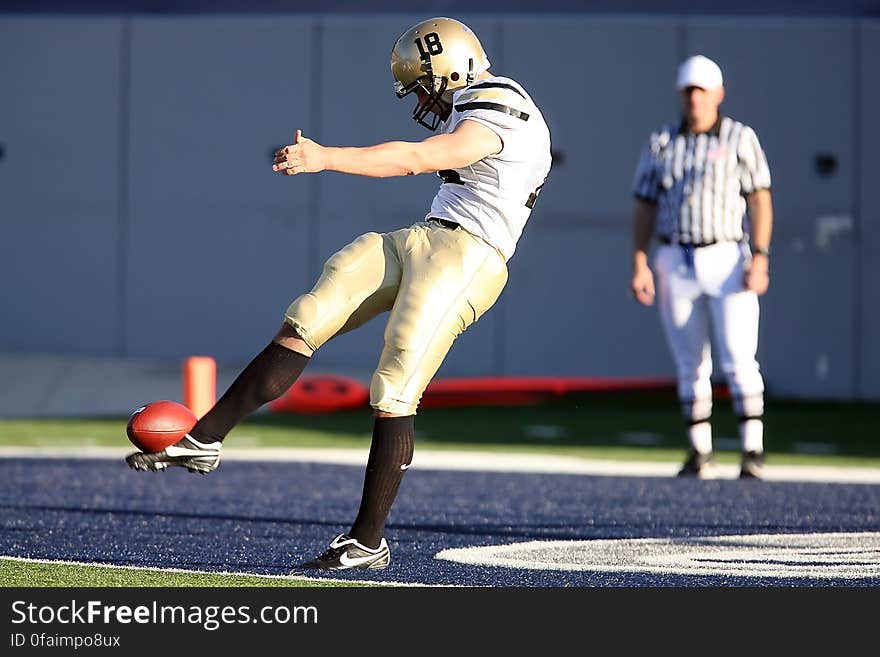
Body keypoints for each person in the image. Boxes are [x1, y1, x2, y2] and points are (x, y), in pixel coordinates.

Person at [126, 17, 552, 570]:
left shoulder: (503, 104)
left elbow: (417, 158)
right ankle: (205, 439)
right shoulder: (479, 101)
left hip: (470, 258)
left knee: (394, 385)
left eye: (423, 83)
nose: (421, 97)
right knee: (311, 311)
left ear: (448, 68)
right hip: (428, 236)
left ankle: (367, 541)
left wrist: (326, 158)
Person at [629, 54, 773, 480]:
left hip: (727, 255)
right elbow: (644, 205)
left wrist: (761, 255)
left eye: (702, 91)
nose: (694, 99)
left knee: (739, 355)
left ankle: (752, 450)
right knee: (689, 360)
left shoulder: (739, 137)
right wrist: (640, 261)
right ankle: (700, 451)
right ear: (680, 93)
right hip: (675, 255)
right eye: (689, 91)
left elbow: (760, 198)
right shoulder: (662, 141)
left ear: (718, 94)